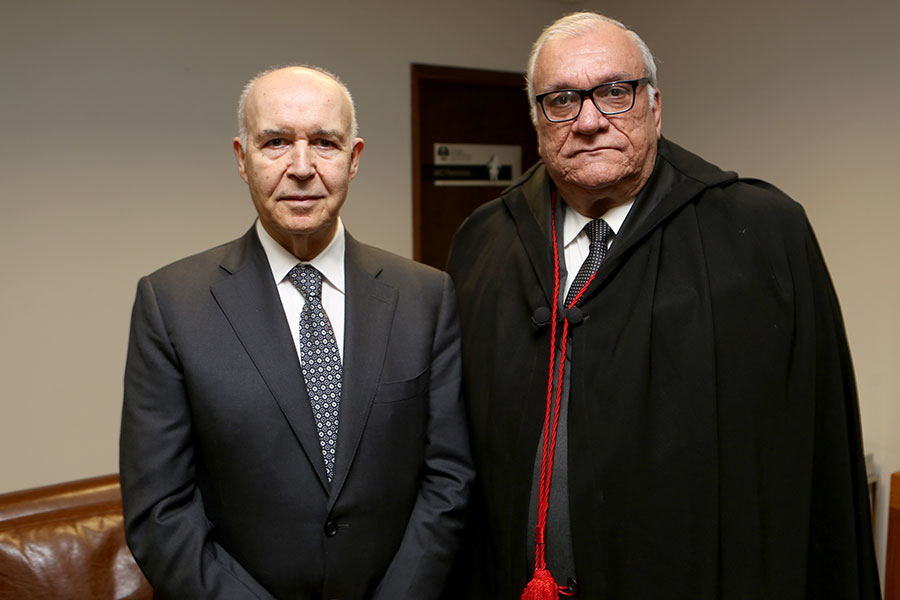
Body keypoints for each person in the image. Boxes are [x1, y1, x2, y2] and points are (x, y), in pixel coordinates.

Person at [446, 12, 880, 599]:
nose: (589, 121)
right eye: (561, 101)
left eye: (614, 92)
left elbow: (818, 459)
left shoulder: (762, 237)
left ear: (654, 105)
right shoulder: (483, 243)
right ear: (537, 120)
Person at [120, 65, 473, 599]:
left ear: (353, 158)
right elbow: (160, 512)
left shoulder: (426, 297)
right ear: (242, 158)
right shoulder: (170, 304)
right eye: (276, 142)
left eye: (325, 143)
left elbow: (448, 479)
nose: (302, 168)